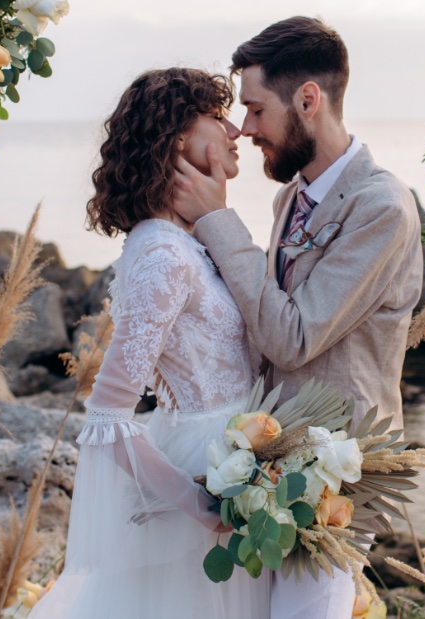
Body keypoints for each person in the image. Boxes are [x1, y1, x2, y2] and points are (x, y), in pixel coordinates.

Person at [172, 16, 424, 619]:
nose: (245, 128)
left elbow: (294, 335)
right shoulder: (293, 194)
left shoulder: (382, 208)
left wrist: (217, 222)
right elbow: (265, 313)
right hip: (273, 460)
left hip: (338, 471)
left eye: (256, 109)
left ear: (307, 99)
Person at [28, 68, 269, 619]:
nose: (235, 131)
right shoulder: (162, 254)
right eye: (216, 116)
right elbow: (107, 415)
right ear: (178, 136)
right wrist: (198, 503)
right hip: (207, 472)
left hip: (236, 454)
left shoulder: (184, 242)